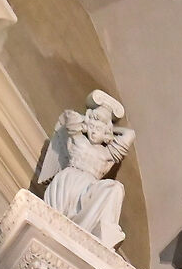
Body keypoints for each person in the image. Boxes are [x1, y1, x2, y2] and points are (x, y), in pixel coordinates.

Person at [37, 93, 135, 250]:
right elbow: (69, 116)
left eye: (100, 129)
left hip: (89, 188)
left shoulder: (108, 154)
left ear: (107, 133)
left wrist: (108, 126)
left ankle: (105, 235)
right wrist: (89, 121)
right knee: (54, 222)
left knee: (115, 188)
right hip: (68, 181)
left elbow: (130, 135)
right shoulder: (78, 139)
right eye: (94, 127)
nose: (96, 131)